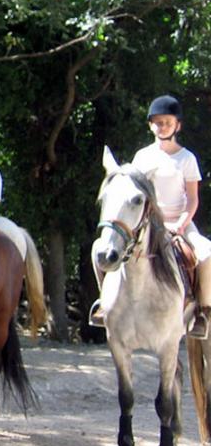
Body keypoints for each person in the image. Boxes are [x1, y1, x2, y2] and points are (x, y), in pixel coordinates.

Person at [90, 95, 211, 339]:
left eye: (167, 122)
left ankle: (202, 311)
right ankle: (105, 304)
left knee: (207, 254)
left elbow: (193, 198)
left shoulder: (187, 159)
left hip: (179, 222)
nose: (162, 126)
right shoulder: (142, 157)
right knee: (98, 249)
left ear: (177, 125)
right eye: (157, 122)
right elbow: (130, 194)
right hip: (147, 224)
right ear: (150, 125)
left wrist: (181, 224)